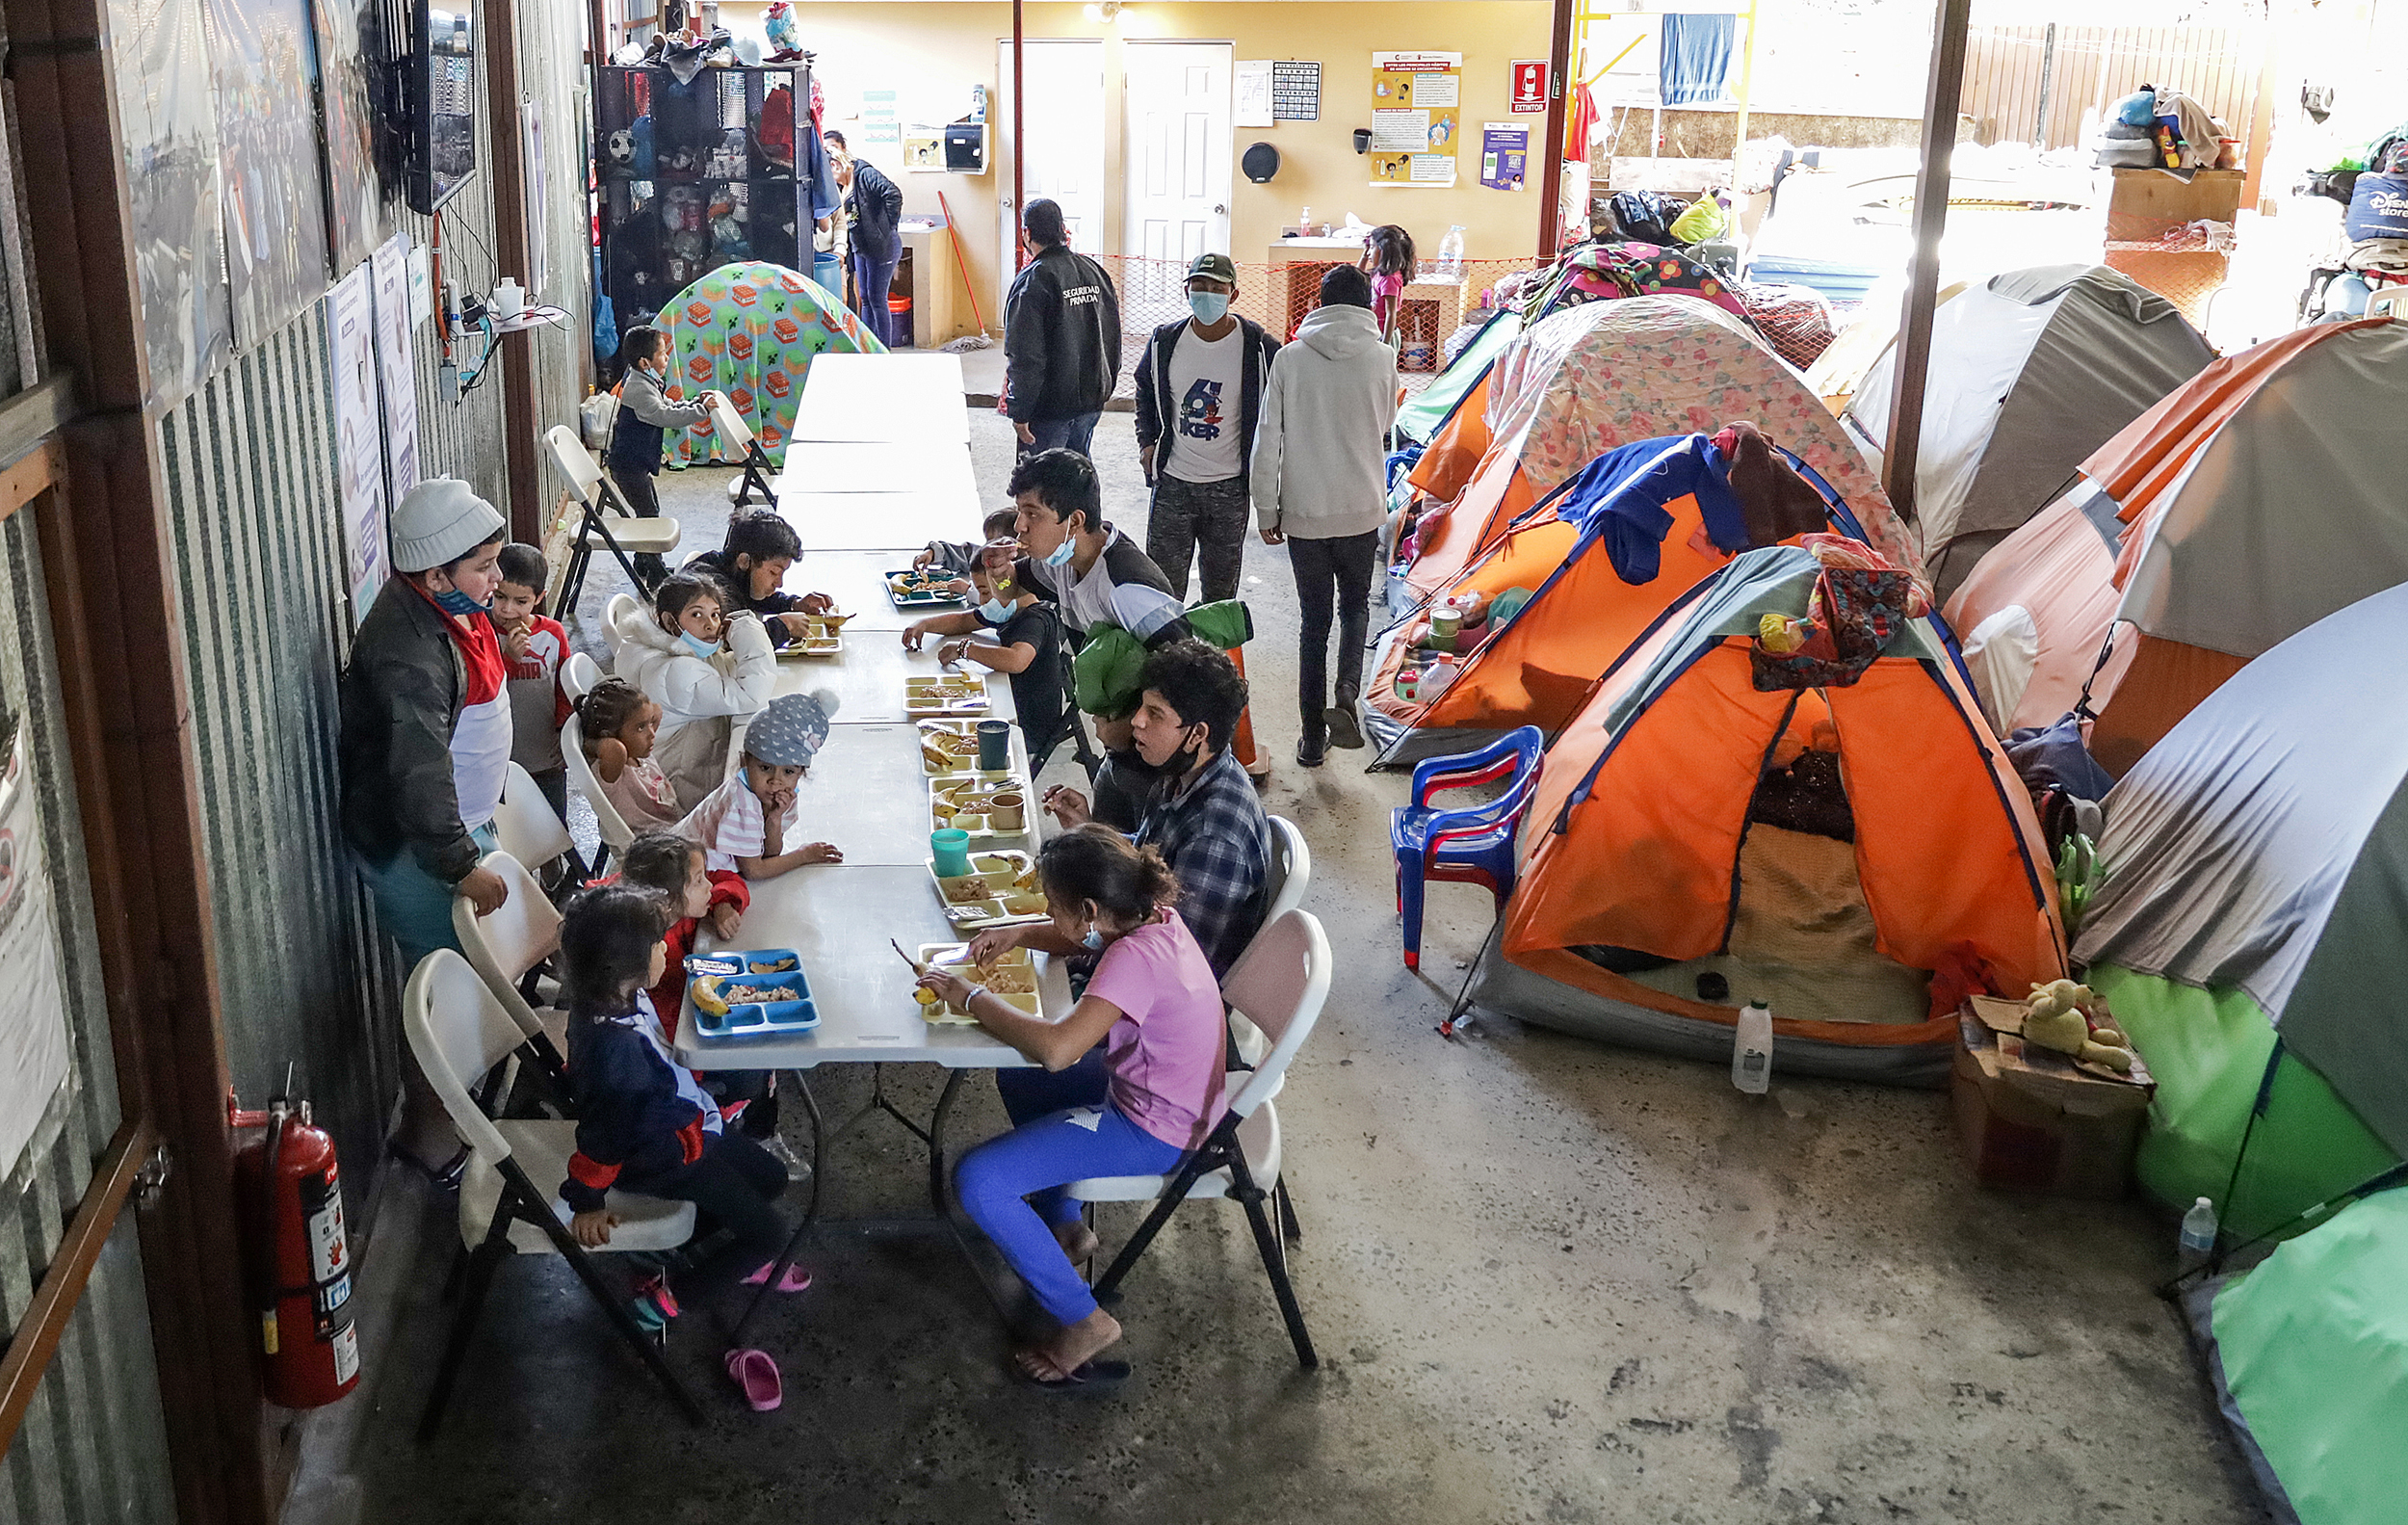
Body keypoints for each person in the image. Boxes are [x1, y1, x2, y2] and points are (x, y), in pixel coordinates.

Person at [931, 827, 1223, 1388]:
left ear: (1089, 908)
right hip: (1179, 1097)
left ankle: (1086, 1321)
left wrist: (971, 997)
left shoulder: (1133, 960)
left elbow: (1058, 1050)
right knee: (1020, 1083)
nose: (1048, 913)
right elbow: (1084, 938)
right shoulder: (1150, 913)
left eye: (1053, 907)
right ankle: (1066, 1226)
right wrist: (1021, 932)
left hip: (1156, 1128)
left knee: (978, 1180)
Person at [338, 478, 513, 1177]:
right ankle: (431, 1135)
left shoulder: (444, 607)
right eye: (485, 565)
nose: (498, 578)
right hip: (422, 849)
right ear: (436, 573)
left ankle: (449, 1115)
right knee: (438, 991)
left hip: (460, 828)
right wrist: (459, 862)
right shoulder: (409, 651)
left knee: (460, 982)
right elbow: (418, 773)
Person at [557, 885, 808, 1359]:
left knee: (771, 1178)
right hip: (665, 1156)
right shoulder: (617, 1056)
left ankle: (671, 1255)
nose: (664, 948)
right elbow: (601, 1137)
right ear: (625, 965)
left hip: (686, 1127)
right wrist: (586, 1200)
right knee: (771, 1234)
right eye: (658, 944)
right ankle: (668, 1301)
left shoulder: (614, 1001)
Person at [1034, 641, 1270, 981]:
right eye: (1142, 707)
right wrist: (1089, 828)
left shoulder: (1214, 836)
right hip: (1141, 951)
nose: (1137, 721)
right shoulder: (1181, 772)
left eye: (1155, 714)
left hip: (1163, 994)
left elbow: (1170, 957)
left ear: (1197, 734)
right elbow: (1145, 857)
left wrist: (1073, 954)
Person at [1253, 265, 1398, 765]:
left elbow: (1268, 436)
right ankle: (1347, 691)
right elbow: (1387, 422)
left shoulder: (1290, 358)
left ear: (1319, 303)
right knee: (1355, 607)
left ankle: (1313, 739)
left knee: (1313, 623)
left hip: (1306, 513)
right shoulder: (1383, 357)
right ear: (1365, 305)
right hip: (1361, 508)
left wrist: (1266, 506)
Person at [1008, 449, 1189, 829]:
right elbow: (1013, 582)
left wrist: (1129, 725)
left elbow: (1190, 671)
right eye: (1019, 512)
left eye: (1032, 514)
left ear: (1075, 520)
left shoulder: (1126, 586)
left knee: (1140, 867)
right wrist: (992, 566)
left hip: (1160, 763)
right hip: (1119, 752)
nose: (1019, 526)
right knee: (1102, 844)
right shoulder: (1059, 563)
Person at [611, 832, 801, 1178]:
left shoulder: (659, 903)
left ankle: (753, 1128)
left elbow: (726, 880)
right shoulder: (645, 952)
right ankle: (735, 1133)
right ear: (668, 901)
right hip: (675, 1051)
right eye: (698, 882)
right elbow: (663, 1029)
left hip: (682, 1021)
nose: (707, 887)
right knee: (755, 1063)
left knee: (762, 1051)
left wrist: (723, 903)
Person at [1133, 252, 1281, 605]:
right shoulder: (1164, 342)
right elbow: (1144, 388)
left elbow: (1280, 408)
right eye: (1199, 286)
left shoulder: (1258, 347)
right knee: (1162, 591)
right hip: (1173, 484)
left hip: (1229, 488)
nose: (1207, 294)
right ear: (1186, 290)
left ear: (1234, 295)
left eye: (1217, 288)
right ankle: (1168, 660)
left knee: (1219, 597)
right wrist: (1147, 441)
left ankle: (1212, 660)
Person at [609, 571, 776, 811]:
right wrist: (746, 627)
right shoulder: (676, 671)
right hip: (682, 791)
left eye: (716, 614)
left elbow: (722, 673)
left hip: (672, 770)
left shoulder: (647, 645)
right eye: (696, 614)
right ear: (669, 621)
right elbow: (751, 696)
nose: (710, 625)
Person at [901, 556, 1069, 768]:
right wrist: (923, 624)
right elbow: (964, 620)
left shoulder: (1034, 620)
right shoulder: (1007, 606)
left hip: (1028, 723)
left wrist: (966, 649)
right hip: (1007, 698)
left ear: (1006, 586)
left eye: (985, 591)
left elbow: (1017, 660)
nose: (981, 600)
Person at [676, 691, 844, 879]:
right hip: (682, 871)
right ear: (746, 761)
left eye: (788, 772)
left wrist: (775, 819)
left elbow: (770, 854)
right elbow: (754, 871)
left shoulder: (783, 796)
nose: (776, 781)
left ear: (801, 773)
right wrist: (804, 855)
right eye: (765, 767)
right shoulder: (742, 804)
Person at [1003, 199, 1120, 457]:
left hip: (1049, 409)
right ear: (1062, 229)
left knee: (1042, 485)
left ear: (1027, 233)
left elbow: (1025, 355)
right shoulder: (1094, 271)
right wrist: (1104, 388)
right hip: (1091, 401)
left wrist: (1019, 411)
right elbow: (1113, 338)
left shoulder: (1033, 281)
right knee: (1076, 476)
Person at [606, 327, 721, 584]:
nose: (667, 357)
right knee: (649, 515)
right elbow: (665, 416)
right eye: (662, 353)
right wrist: (701, 410)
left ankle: (643, 562)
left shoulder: (645, 381)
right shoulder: (638, 388)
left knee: (648, 511)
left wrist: (692, 403)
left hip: (635, 464)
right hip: (628, 467)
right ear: (645, 362)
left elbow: (668, 405)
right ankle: (656, 573)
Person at [490, 543, 573, 828]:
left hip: (545, 756)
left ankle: (554, 873)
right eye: (499, 596)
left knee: (552, 826)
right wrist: (510, 659)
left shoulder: (553, 634)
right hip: (501, 758)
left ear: (539, 598)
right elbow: (484, 689)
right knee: (510, 830)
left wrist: (564, 734)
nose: (507, 609)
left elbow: (564, 687)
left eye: (521, 601)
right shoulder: (483, 632)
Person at [683, 510, 833, 649]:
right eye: (774, 572)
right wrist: (784, 626)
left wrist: (794, 604)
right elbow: (738, 649)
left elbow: (754, 596)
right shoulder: (709, 595)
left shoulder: (728, 569)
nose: (779, 583)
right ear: (744, 561)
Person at [575, 677, 683, 835]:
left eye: (649, 723)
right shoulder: (613, 772)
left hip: (676, 828)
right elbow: (614, 749)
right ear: (609, 735)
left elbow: (656, 709)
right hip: (657, 846)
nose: (652, 734)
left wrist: (642, 720)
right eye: (640, 728)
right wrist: (590, 743)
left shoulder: (640, 753)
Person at [840, 148, 904, 345]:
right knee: (865, 298)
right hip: (862, 247)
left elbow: (893, 194)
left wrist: (886, 227)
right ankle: (868, 346)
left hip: (883, 245)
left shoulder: (865, 174)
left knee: (877, 299)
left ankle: (884, 350)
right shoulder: (842, 183)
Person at [914, 507, 1021, 592]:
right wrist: (932, 553)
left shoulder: (1019, 574)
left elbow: (1000, 603)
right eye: (987, 540)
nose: (988, 547)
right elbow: (963, 554)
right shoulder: (985, 556)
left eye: (995, 543)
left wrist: (969, 591)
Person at [1359, 224, 1416, 344]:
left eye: (1372, 247)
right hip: (1375, 331)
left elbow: (1391, 313)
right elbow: (1357, 276)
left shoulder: (1389, 279)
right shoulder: (1379, 273)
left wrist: (1385, 343)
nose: (1369, 253)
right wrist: (1364, 256)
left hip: (1384, 335)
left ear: (1384, 250)